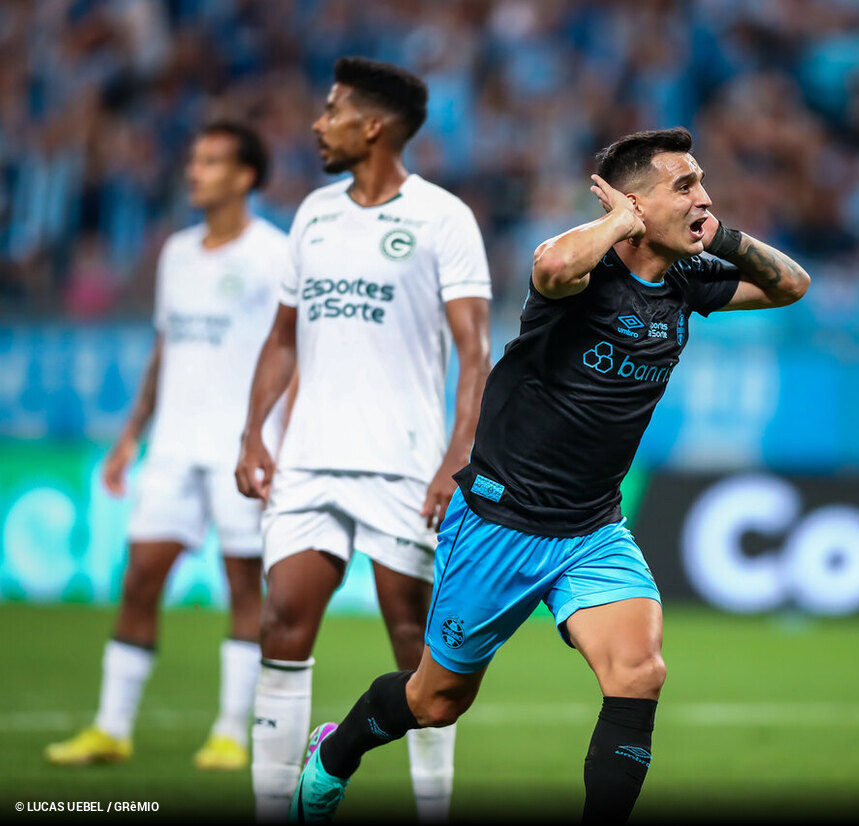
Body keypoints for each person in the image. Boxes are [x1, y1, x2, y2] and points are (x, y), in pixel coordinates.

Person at [289, 126, 811, 822]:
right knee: (435, 702)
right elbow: (551, 265)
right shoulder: (580, 272)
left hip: (591, 527)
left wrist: (722, 239)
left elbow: (791, 286)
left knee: (639, 672)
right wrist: (617, 225)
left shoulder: (688, 282)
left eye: (701, 182)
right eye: (683, 185)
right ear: (631, 202)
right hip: (500, 521)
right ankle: (334, 755)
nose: (702, 197)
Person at [234, 57, 492, 823]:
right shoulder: (312, 214)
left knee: (414, 643)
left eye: (331, 110)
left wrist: (456, 457)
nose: (318, 123)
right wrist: (253, 432)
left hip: (402, 465)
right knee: (281, 623)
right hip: (309, 460)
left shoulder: (443, 217)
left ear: (372, 126)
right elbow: (282, 338)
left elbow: (474, 352)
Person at [45, 122, 290, 771]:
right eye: (193, 160)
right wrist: (130, 437)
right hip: (174, 446)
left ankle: (232, 732)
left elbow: (293, 352)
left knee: (244, 587)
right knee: (140, 578)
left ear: (245, 177)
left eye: (210, 162)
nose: (194, 172)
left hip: (244, 451)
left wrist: (276, 439)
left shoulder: (274, 255)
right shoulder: (177, 252)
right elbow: (164, 348)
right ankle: (110, 728)